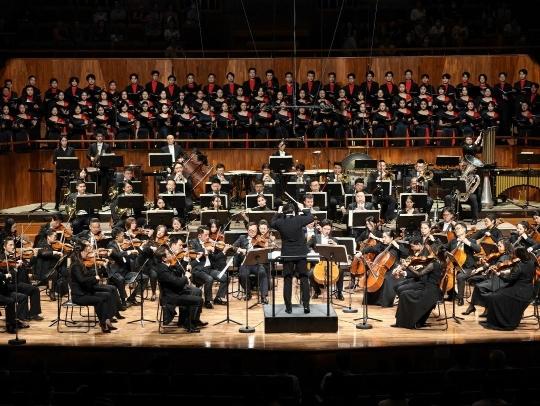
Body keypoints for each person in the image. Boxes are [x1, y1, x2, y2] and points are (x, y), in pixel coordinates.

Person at [271, 203, 314, 313]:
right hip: (300, 253)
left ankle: (288, 308)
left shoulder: (280, 222)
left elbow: (272, 223)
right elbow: (311, 217)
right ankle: (306, 306)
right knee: (304, 278)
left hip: (287, 254)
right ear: (294, 211)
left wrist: (278, 212)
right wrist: (303, 208)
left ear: (284, 212)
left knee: (287, 279)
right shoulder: (299, 219)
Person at [392, 236, 443, 329]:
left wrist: (409, 266)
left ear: (435, 252)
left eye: (431, 251)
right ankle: (402, 322)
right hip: (427, 286)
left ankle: (408, 321)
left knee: (404, 294)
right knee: (403, 293)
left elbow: (419, 274)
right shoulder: (434, 262)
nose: (429, 253)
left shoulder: (433, 264)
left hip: (429, 290)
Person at [68, 241, 118, 333]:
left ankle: (107, 320)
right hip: (79, 296)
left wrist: (98, 272)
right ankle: (103, 323)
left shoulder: (80, 263)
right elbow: (82, 280)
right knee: (99, 300)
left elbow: (86, 276)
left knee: (107, 295)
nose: (87, 253)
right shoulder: (76, 265)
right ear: (81, 252)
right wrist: (94, 278)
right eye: (86, 251)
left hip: (85, 292)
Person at [155, 246, 206, 332]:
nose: (171, 254)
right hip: (171, 297)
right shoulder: (162, 270)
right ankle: (190, 325)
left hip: (175, 292)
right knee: (199, 300)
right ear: (164, 258)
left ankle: (189, 321)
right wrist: (186, 277)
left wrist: (185, 263)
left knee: (197, 293)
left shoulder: (165, 266)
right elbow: (178, 283)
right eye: (168, 254)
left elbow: (177, 273)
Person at [482, 247, 535, 331]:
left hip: (518, 292)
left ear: (519, 255)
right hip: (528, 290)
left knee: (494, 296)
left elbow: (509, 280)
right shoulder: (531, 262)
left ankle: (499, 322)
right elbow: (521, 274)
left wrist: (498, 274)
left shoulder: (519, 266)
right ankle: (497, 319)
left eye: (515, 254)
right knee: (498, 293)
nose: (513, 256)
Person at [188, 226, 228, 308]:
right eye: (206, 235)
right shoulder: (193, 242)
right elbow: (192, 253)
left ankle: (218, 298)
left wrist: (223, 251)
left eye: (208, 235)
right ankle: (208, 301)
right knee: (209, 279)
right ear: (199, 235)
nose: (208, 237)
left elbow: (215, 258)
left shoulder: (209, 244)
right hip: (198, 270)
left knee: (225, 277)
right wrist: (205, 250)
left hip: (209, 269)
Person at [308, 219, 345, 301]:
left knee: (341, 271)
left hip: (331, 263)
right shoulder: (315, 237)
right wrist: (312, 250)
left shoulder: (334, 239)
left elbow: (339, 252)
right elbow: (307, 246)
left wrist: (336, 245)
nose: (327, 231)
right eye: (325, 229)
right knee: (310, 274)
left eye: (329, 229)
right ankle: (317, 291)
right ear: (321, 228)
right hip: (319, 263)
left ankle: (339, 292)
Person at [233, 222, 269, 303]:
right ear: (247, 230)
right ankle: (248, 293)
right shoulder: (242, 238)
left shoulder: (259, 239)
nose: (253, 232)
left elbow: (265, 250)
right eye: (251, 230)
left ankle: (264, 296)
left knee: (262, 272)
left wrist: (265, 246)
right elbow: (233, 246)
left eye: (255, 231)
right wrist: (240, 249)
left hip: (256, 263)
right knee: (243, 274)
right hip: (245, 263)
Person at [447, 222, 482, 306]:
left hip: (468, 267)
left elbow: (478, 249)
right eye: (455, 229)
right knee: (446, 274)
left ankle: (460, 298)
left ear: (464, 230)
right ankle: (450, 295)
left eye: (458, 228)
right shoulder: (453, 241)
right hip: (455, 265)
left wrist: (467, 242)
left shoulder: (471, 240)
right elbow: (444, 249)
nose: (456, 230)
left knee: (460, 276)